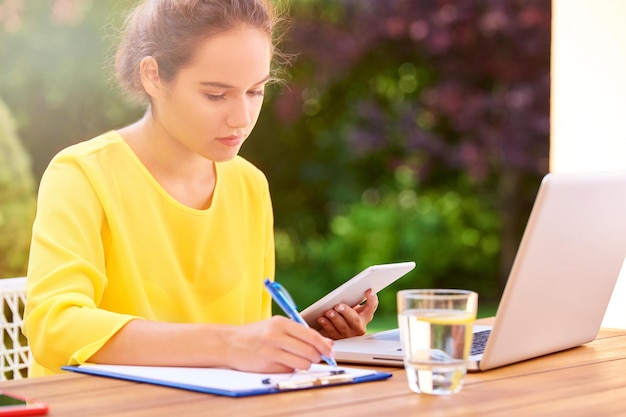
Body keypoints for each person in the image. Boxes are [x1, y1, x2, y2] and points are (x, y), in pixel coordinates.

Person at [23, 0, 378, 377]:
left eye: (255, 91)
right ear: (153, 77)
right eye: (215, 95)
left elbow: (242, 342)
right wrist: (228, 344)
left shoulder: (249, 184)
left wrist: (304, 339)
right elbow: (53, 328)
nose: (241, 119)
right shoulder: (81, 174)